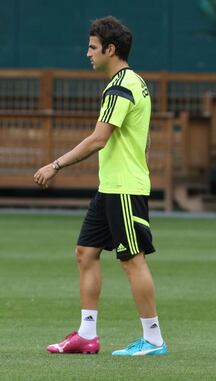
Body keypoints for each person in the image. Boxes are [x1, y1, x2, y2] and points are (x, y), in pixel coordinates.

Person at [34, 16, 167, 357]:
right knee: (86, 253)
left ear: (111, 49)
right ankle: (87, 335)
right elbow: (144, 137)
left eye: (93, 47)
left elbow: (98, 139)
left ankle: (153, 340)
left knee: (132, 260)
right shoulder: (134, 82)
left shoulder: (122, 86)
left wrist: (55, 165)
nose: (87, 53)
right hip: (111, 187)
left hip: (124, 188)